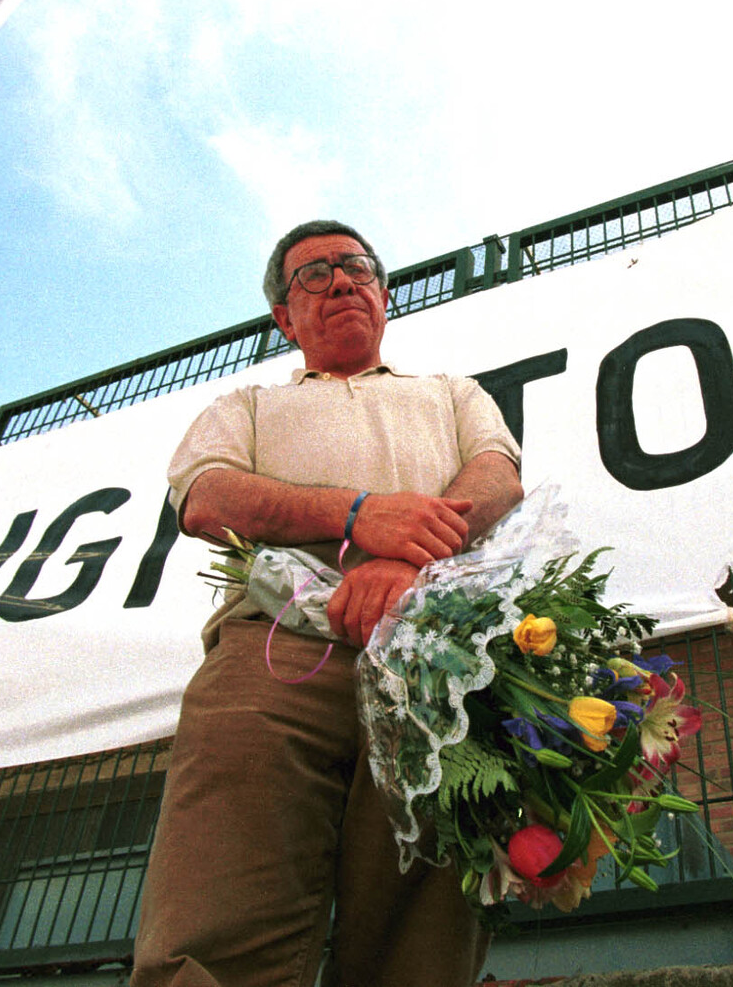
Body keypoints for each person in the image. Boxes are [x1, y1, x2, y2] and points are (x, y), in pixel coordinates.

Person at [131, 220, 524, 987]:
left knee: (423, 919)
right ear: (285, 317)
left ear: (382, 295)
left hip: (437, 649)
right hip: (274, 655)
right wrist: (356, 514)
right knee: (220, 898)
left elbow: (497, 478)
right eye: (314, 275)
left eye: (357, 268)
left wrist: (402, 559)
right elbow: (207, 495)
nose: (341, 282)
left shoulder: (450, 393)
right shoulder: (244, 406)